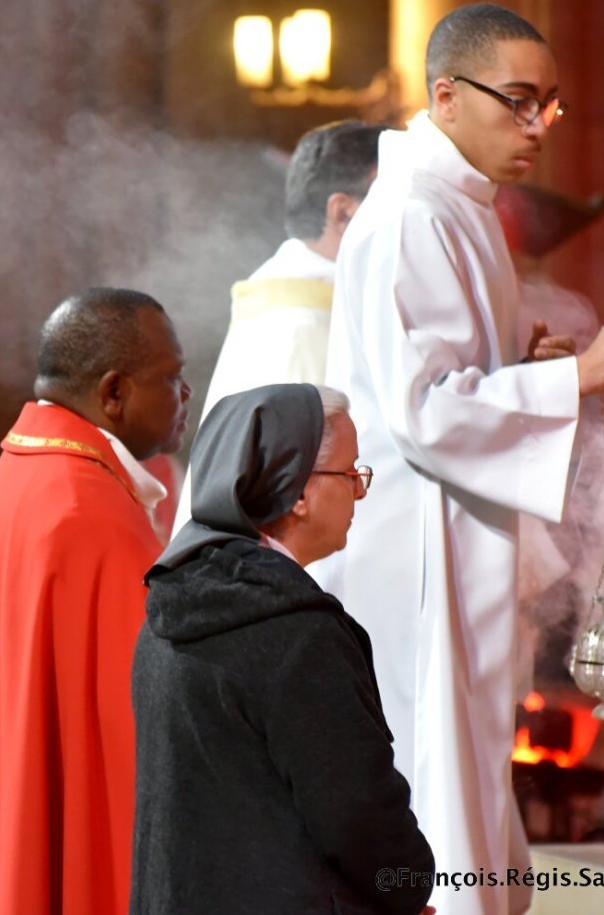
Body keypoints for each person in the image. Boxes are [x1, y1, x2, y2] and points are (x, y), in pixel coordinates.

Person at [315, 5, 604, 914]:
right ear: (445, 96)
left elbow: (454, 376)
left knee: (467, 768)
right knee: (438, 779)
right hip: (418, 549)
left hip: (457, 534)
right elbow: (424, 410)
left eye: (552, 104)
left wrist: (528, 365)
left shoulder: (459, 204)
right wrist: (578, 377)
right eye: (519, 102)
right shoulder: (411, 218)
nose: (540, 125)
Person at [0, 287, 191, 915]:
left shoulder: (15, 475)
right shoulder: (90, 508)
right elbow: (136, 722)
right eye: (172, 377)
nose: (185, 395)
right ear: (114, 392)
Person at [131, 384, 434, 915]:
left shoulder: (167, 608)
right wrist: (406, 888)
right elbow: (360, 818)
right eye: (351, 473)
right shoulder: (295, 634)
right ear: (297, 491)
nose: (360, 492)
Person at [174, 120, 387, 533]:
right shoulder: (300, 325)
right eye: (396, 208)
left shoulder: (311, 295)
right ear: (342, 212)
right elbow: (295, 507)